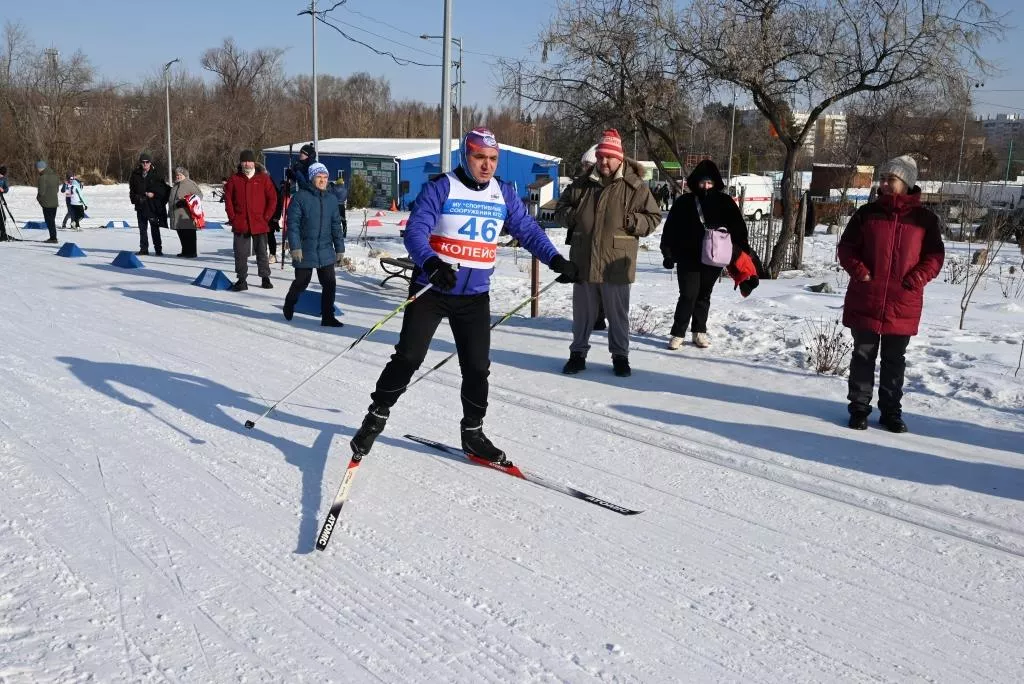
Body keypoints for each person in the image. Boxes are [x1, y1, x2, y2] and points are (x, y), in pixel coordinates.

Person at [349, 127, 579, 463]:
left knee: (476, 368)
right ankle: (377, 415)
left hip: (474, 296)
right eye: (479, 158)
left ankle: (473, 432)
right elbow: (415, 231)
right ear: (465, 157)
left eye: (492, 159)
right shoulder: (442, 187)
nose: (486, 165)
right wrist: (431, 262)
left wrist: (556, 259)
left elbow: (527, 230)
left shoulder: (502, 192)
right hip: (433, 287)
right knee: (409, 357)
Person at [838, 155, 944, 433]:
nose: (884, 184)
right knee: (863, 355)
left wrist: (916, 279)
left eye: (891, 179)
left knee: (894, 360)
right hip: (867, 297)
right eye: (882, 178)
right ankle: (859, 408)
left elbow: (934, 256)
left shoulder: (925, 220)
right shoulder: (866, 214)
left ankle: (890, 412)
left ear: (906, 183)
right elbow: (847, 248)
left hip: (902, 301)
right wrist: (860, 272)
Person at [555, 129, 661, 377]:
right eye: (601, 156)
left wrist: (632, 221)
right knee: (582, 315)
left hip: (616, 263)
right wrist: (574, 217)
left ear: (620, 158)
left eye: (609, 158)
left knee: (617, 315)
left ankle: (620, 357)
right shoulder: (581, 184)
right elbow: (560, 209)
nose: (604, 162)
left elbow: (654, 217)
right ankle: (577, 354)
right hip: (584, 259)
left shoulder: (635, 187)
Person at [660, 159, 752, 351]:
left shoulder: (725, 202)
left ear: (716, 182)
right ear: (695, 182)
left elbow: (738, 228)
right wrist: (668, 253)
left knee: (703, 295)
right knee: (688, 295)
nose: (706, 186)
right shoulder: (684, 202)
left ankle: (699, 332)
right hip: (688, 256)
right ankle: (678, 333)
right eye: (702, 182)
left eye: (709, 182)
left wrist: (742, 250)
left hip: (714, 257)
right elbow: (670, 229)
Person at [283, 162, 344, 327]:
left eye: (325, 177)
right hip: (305, 248)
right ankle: (290, 301)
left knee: (330, 284)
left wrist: (340, 249)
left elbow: (336, 226)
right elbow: (293, 224)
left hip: (325, 249)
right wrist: (295, 246)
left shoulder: (331, 199)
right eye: (319, 177)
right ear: (312, 178)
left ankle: (327, 317)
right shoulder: (300, 197)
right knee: (302, 282)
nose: (323, 180)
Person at [559, 144, 606, 330]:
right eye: (584, 165)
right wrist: (577, 215)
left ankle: (599, 317)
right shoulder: (576, 186)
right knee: (583, 283)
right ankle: (587, 316)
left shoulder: (611, 187)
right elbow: (560, 211)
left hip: (603, 245)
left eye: (588, 165)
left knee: (602, 283)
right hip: (580, 242)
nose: (585, 168)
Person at [224, 149, 278, 291]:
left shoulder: (263, 179)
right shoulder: (234, 179)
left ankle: (265, 278)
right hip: (241, 222)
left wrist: (266, 217)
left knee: (262, 251)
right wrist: (233, 218)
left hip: (259, 222)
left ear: (254, 162)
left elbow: (273, 199)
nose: (247, 164)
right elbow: (228, 200)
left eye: (249, 161)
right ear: (241, 163)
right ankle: (242, 280)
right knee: (240, 253)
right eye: (244, 161)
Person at [128, 153, 170, 256]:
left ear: (150, 163)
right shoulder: (135, 174)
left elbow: (163, 189)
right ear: (140, 163)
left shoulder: (156, 174)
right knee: (142, 229)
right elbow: (132, 190)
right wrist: (136, 199)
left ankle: (158, 249)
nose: (145, 164)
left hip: (152, 206)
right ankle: (144, 249)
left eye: (147, 162)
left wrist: (154, 194)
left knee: (154, 229)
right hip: (141, 206)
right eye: (143, 162)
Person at [169, 166, 202, 258]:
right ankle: (185, 251)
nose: (178, 176)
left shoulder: (189, 183)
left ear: (185, 175)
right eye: (177, 175)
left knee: (189, 233)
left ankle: (192, 252)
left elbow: (199, 195)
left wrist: (185, 202)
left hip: (187, 215)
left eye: (180, 175)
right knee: (181, 233)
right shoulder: (176, 185)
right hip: (177, 214)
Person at [36, 160, 60, 243]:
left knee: (49, 221)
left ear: (40, 168)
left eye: (37, 168)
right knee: (52, 220)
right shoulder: (55, 176)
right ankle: (53, 237)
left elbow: (41, 192)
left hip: (46, 203)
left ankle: (53, 238)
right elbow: (57, 190)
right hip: (54, 202)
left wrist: (39, 199)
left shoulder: (42, 178)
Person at [0, 165, 9, 241]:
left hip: (0, 199)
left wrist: (3, 190)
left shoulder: (4, 179)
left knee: (3, 217)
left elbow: (6, 189)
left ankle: (2, 233)